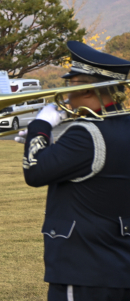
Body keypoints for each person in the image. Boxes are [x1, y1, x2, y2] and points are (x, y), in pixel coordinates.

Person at [17, 41, 130, 301]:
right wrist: (44, 143)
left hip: (84, 268)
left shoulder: (85, 133)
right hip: (119, 264)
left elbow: (34, 174)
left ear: (89, 89)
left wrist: (40, 126)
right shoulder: (122, 126)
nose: (67, 95)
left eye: (72, 85)